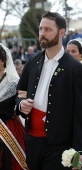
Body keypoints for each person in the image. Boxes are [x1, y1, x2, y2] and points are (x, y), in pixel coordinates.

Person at [16, 12, 82, 170]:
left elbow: (80, 113)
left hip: (59, 145)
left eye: (47, 29)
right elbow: (20, 92)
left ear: (61, 33)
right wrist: (21, 104)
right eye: (40, 29)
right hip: (32, 141)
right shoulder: (32, 60)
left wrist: (78, 152)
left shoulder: (75, 68)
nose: (42, 34)